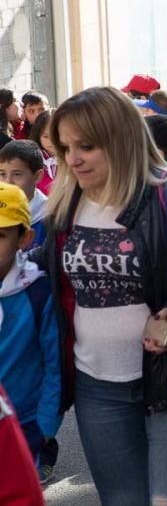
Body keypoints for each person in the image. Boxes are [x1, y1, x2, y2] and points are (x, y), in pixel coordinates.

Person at [39, 86, 167, 504]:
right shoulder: (63, 207)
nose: (73, 158)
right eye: (65, 148)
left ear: (120, 139)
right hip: (96, 385)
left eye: (86, 146)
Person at [0, 182, 60, 484]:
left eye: (0, 235)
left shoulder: (38, 291)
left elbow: (55, 363)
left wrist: (46, 424)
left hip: (23, 423)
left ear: (25, 238)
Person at [0, 141, 49, 247]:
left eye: (17, 174)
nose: (8, 182)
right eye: (2, 174)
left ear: (37, 176)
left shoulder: (49, 216)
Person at [28, 109, 56, 196]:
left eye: (57, 135)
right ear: (38, 136)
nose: (52, 141)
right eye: (46, 136)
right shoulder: (31, 160)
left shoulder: (74, 159)